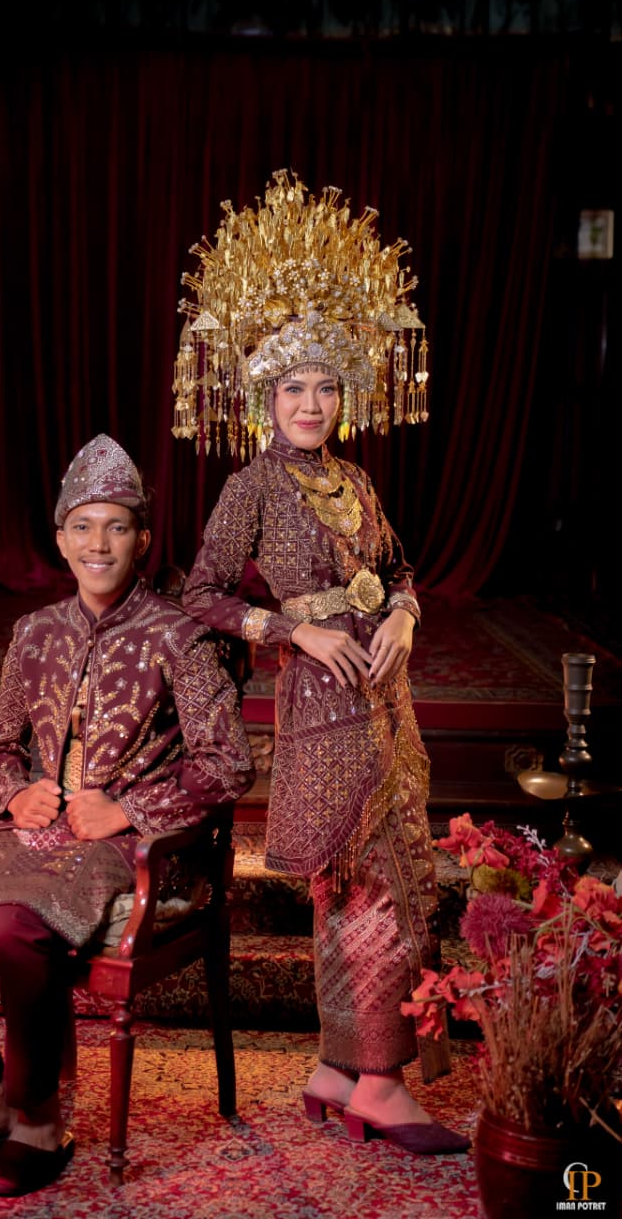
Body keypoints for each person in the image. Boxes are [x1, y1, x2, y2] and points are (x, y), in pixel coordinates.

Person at [174, 171, 469, 1155]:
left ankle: (337, 1068)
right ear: (264, 398)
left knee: (388, 880)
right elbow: (201, 594)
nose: (311, 402)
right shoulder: (251, 486)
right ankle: (379, 1080)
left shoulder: (356, 480)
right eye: (292, 387)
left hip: (388, 707)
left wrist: (408, 616)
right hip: (319, 710)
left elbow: (400, 570)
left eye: (325, 385)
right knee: (364, 886)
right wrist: (290, 629)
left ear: (345, 394)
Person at [0, 434, 255, 1197]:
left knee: (12, 927)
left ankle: (38, 1120)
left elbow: (228, 763)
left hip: (127, 846)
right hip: (30, 832)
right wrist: (13, 790)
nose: (99, 544)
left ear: (142, 540)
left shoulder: (179, 636)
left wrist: (126, 809)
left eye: (117, 528)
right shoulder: (35, 632)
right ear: (60, 540)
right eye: (83, 527)